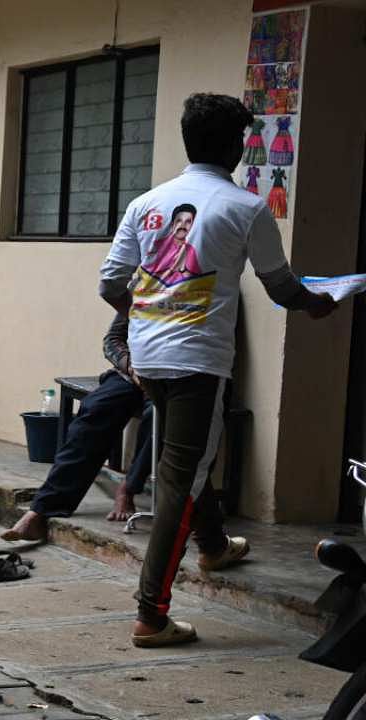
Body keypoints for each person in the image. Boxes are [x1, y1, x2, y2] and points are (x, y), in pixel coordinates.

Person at [99, 93, 337, 648]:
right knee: (180, 479)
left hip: (148, 357)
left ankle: (213, 546)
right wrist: (318, 303)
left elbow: (111, 285)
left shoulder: (147, 204)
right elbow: (281, 287)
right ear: (236, 146)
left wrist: (150, 315)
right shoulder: (246, 207)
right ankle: (150, 615)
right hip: (198, 362)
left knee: (186, 458)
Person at [2, 313, 154, 542]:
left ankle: (128, 487)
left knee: (160, 417)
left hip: (176, 377)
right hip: (130, 374)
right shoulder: (143, 285)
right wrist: (131, 367)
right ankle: (42, 509)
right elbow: (113, 339)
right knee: (95, 411)